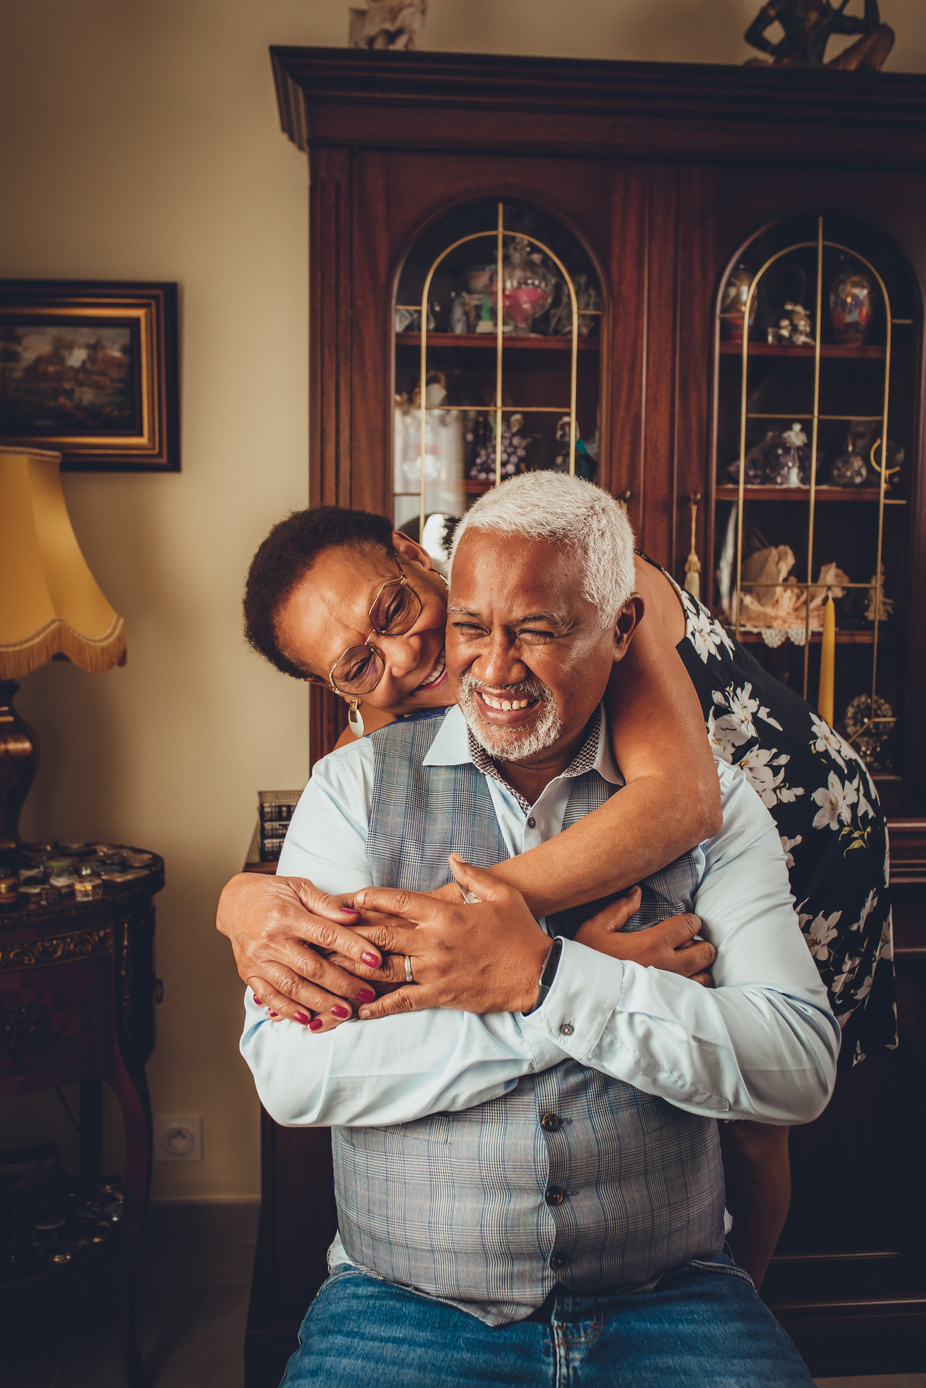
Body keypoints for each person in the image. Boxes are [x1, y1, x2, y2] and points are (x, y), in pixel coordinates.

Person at [240, 472, 839, 1387]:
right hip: (407, 1307)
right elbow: (291, 1072)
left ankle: (732, 1297)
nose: (407, 659)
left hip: (809, 812)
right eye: (358, 665)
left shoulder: (585, 583)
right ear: (342, 688)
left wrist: (510, 960)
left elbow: (684, 804)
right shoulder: (361, 779)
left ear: (416, 557)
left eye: (399, 611)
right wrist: (563, 976)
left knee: (758, 1131)